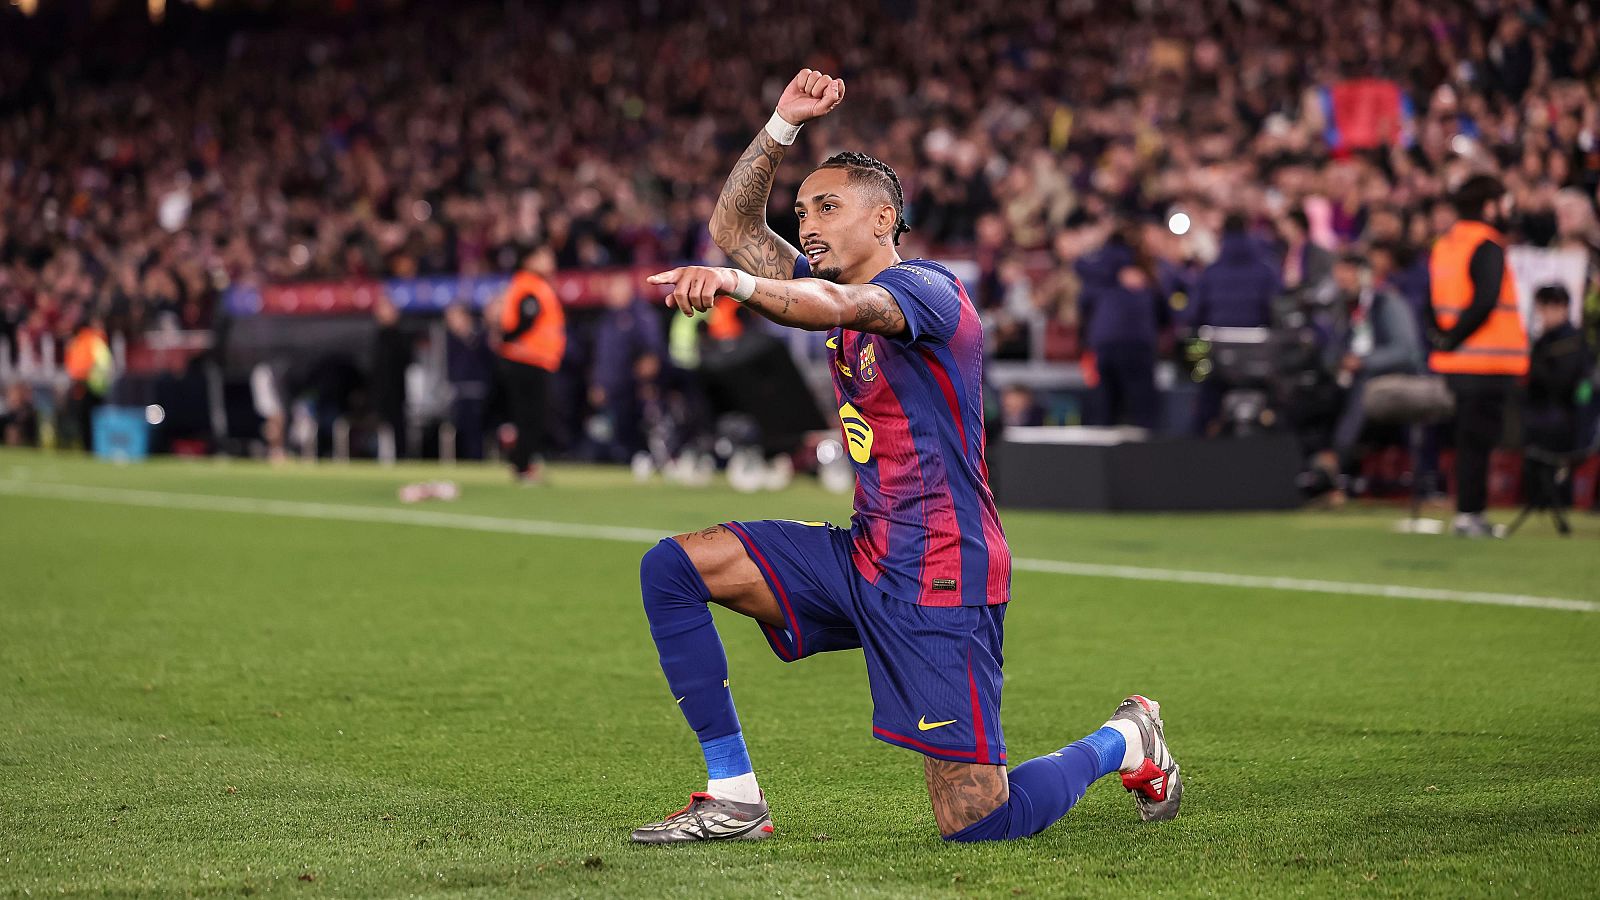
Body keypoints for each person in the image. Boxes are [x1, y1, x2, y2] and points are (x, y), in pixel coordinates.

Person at [629, 69, 1180, 845]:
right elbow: (734, 226)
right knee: (674, 567)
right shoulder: (829, 281)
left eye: (828, 207)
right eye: (803, 210)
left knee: (979, 823)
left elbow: (833, 304)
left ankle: (1125, 738)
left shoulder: (928, 292)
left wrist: (736, 285)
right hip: (866, 552)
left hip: (941, 573)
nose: (809, 223)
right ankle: (735, 796)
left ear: (884, 217)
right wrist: (782, 125)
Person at [1428, 175, 1530, 538]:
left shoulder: (1445, 245)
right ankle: (1471, 513)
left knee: (1468, 440)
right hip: (1488, 363)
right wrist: (1454, 338)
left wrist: (1442, 340)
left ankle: (1469, 512)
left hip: (1459, 364)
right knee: (1478, 442)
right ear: (1489, 205)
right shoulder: (1487, 244)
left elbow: (1432, 301)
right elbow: (1485, 300)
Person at [1075, 223, 1170, 429]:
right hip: (1138, 343)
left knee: (1106, 408)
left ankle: (1103, 456)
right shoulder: (1147, 271)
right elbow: (1165, 310)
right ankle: (1146, 456)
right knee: (1142, 410)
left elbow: (1084, 304)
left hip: (1105, 343)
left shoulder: (1096, 272)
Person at [494, 247, 566, 483]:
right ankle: (523, 465)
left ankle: (522, 462)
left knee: (530, 416)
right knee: (532, 416)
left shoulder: (529, 284)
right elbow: (527, 316)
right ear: (530, 260)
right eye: (545, 256)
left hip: (530, 359)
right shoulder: (531, 284)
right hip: (528, 359)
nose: (551, 260)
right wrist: (508, 338)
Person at [1523, 285, 1592, 507]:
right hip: (1538, 414)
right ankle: (1537, 501)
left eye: (1550, 308)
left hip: (1565, 417)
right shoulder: (1543, 341)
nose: (1545, 314)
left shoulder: (1573, 342)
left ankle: (1558, 502)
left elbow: (1568, 384)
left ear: (1563, 308)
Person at [443, 303, 494, 461]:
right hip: (459, 391)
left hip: (479, 391)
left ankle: (477, 460)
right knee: (461, 431)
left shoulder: (480, 336)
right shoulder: (451, 340)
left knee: (476, 432)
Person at [370, 297, 410, 459]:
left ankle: (401, 456)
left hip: (397, 392)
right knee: (382, 427)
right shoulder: (377, 336)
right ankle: (383, 456)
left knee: (397, 427)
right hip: (381, 393)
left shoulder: (400, 337)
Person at [63, 316, 112, 452]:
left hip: (82, 385)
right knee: (94, 421)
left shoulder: (78, 342)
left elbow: (72, 365)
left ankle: (87, 447)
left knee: (84, 420)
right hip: (93, 387)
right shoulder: (95, 341)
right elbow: (104, 364)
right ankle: (95, 447)